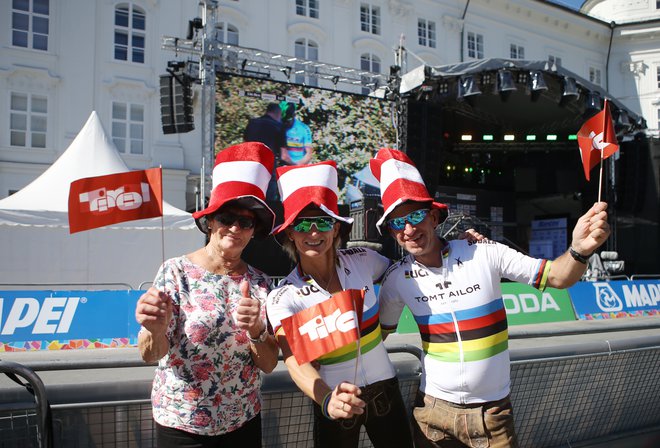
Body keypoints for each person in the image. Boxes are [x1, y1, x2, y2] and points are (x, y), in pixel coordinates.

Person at [369, 148, 611, 448]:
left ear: (433, 217)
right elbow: (373, 338)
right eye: (397, 222)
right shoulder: (396, 279)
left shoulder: (485, 253)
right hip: (432, 414)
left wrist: (579, 249)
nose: (409, 229)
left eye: (416, 215)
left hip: (491, 414)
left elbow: (558, 276)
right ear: (391, 233)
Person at [135, 142, 279, 448]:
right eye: (227, 218)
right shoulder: (175, 272)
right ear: (210, 221)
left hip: (242, 422)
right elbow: (149, 354)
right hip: (181, 425)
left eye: (246, 222)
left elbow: (268, 364)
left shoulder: (262, 283)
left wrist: (255, 331)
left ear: (253, 230)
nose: (235, 228)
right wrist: (154, 330)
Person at [265, 160, 414, 448]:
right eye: (302, 224)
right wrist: (326, 399)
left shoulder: (364, 260)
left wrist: (450, 245)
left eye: (322, 222)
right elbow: (295, 362)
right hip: (335, 399)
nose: (313, 233)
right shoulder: (284, 297)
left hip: (386, 392)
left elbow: (406, 272)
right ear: (290, 234)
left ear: (335, 230)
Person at [244, 102, 287, 201]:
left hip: (249, 166)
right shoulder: (279, 127)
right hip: (267, 168)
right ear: (278, 114)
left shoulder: (252, 123)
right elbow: (284, 156)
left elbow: (245, 143)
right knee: (268, 202)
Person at [280, 101, 314, 166]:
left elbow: (309, 153)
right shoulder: (278, 127)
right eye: (284, 120)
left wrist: (297, 166)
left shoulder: (304, 128)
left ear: (294, 115)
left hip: (300, 166)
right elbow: (283, 156)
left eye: (289, 120)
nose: (287, 123)